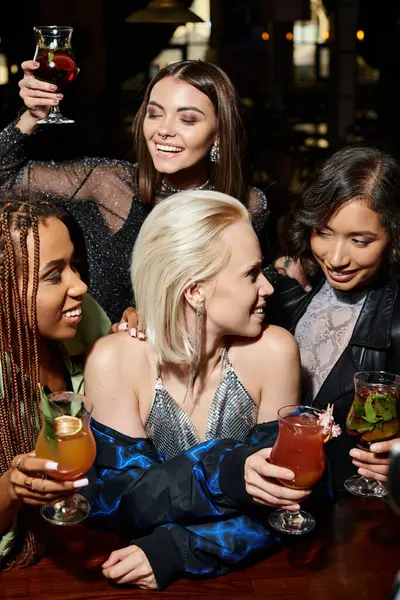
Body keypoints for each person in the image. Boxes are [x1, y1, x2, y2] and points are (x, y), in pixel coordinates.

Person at [83, 190, 327, 590]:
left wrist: (183, 548)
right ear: (195, 290)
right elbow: (124, 503)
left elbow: (291, 504)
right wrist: (227, 473)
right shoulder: (117, 359)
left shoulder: (274, 351)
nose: (267, 287)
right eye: (251, 274)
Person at [0, 60, 272, 322]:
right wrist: (32, 117)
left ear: (219, 133)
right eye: (155, 114)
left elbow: (248, 287)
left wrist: (284, 270)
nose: (163, 130)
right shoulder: (108, 185)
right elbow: (5, 177)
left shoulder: (248, 205)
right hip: (104, 359)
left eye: (187, 119)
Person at [266, 145, 400, 493]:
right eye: (323, 233)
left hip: (352, 514)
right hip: (273, 497)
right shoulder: (286, 289)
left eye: (359, 240)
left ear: (393, 238)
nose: (336, 258)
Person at [0, 198, 111, 568]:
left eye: (74, 266)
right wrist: (11, 489)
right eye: (53, 275)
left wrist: (133, 332)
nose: (78, 285)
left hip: (94, 541)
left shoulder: (87, 321)